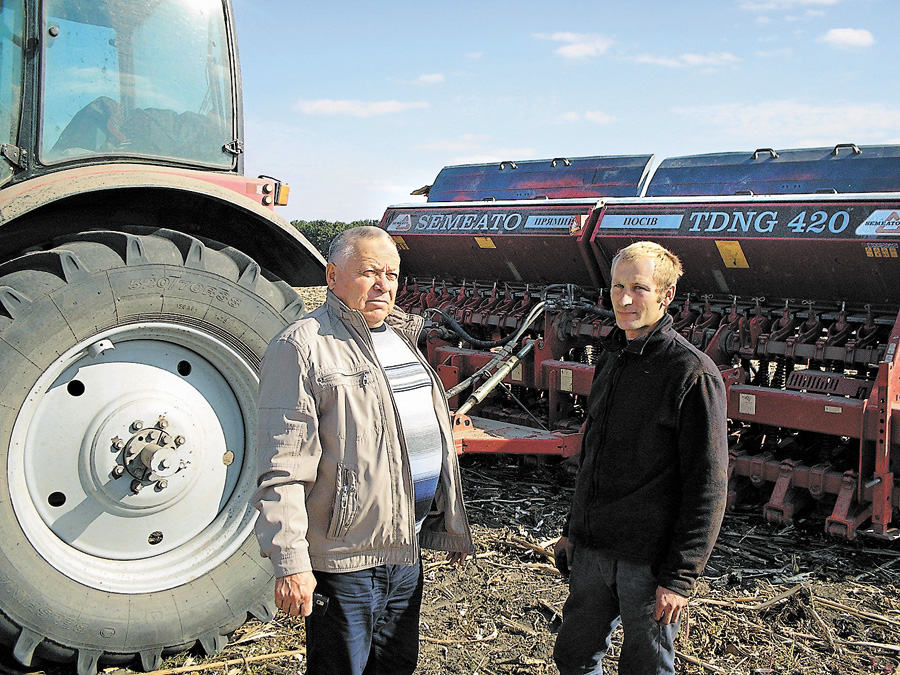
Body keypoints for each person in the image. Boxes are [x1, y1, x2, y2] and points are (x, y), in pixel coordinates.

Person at [253, 226, 473, 675]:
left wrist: (450, 523)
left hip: (404, 554)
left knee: (396, 668)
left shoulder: (403, 341)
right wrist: (291, 562)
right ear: (332, 276)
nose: (383, 285)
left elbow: (418, 438)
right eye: (369, 272)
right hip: (345, 562)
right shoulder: (303, 347)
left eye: (391, 274)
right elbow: (282, 468)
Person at [553, 241, 728, 675]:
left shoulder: (692, 373)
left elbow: (708, 483)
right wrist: (571, 531)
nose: (625, 299)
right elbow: (594, 454)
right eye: (616, 287)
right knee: (572, 657)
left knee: (646, 668)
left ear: (666, 296)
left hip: (648, 564)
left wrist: (680, 577)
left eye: (639, 288)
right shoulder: (613, 356)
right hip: (593, 551)